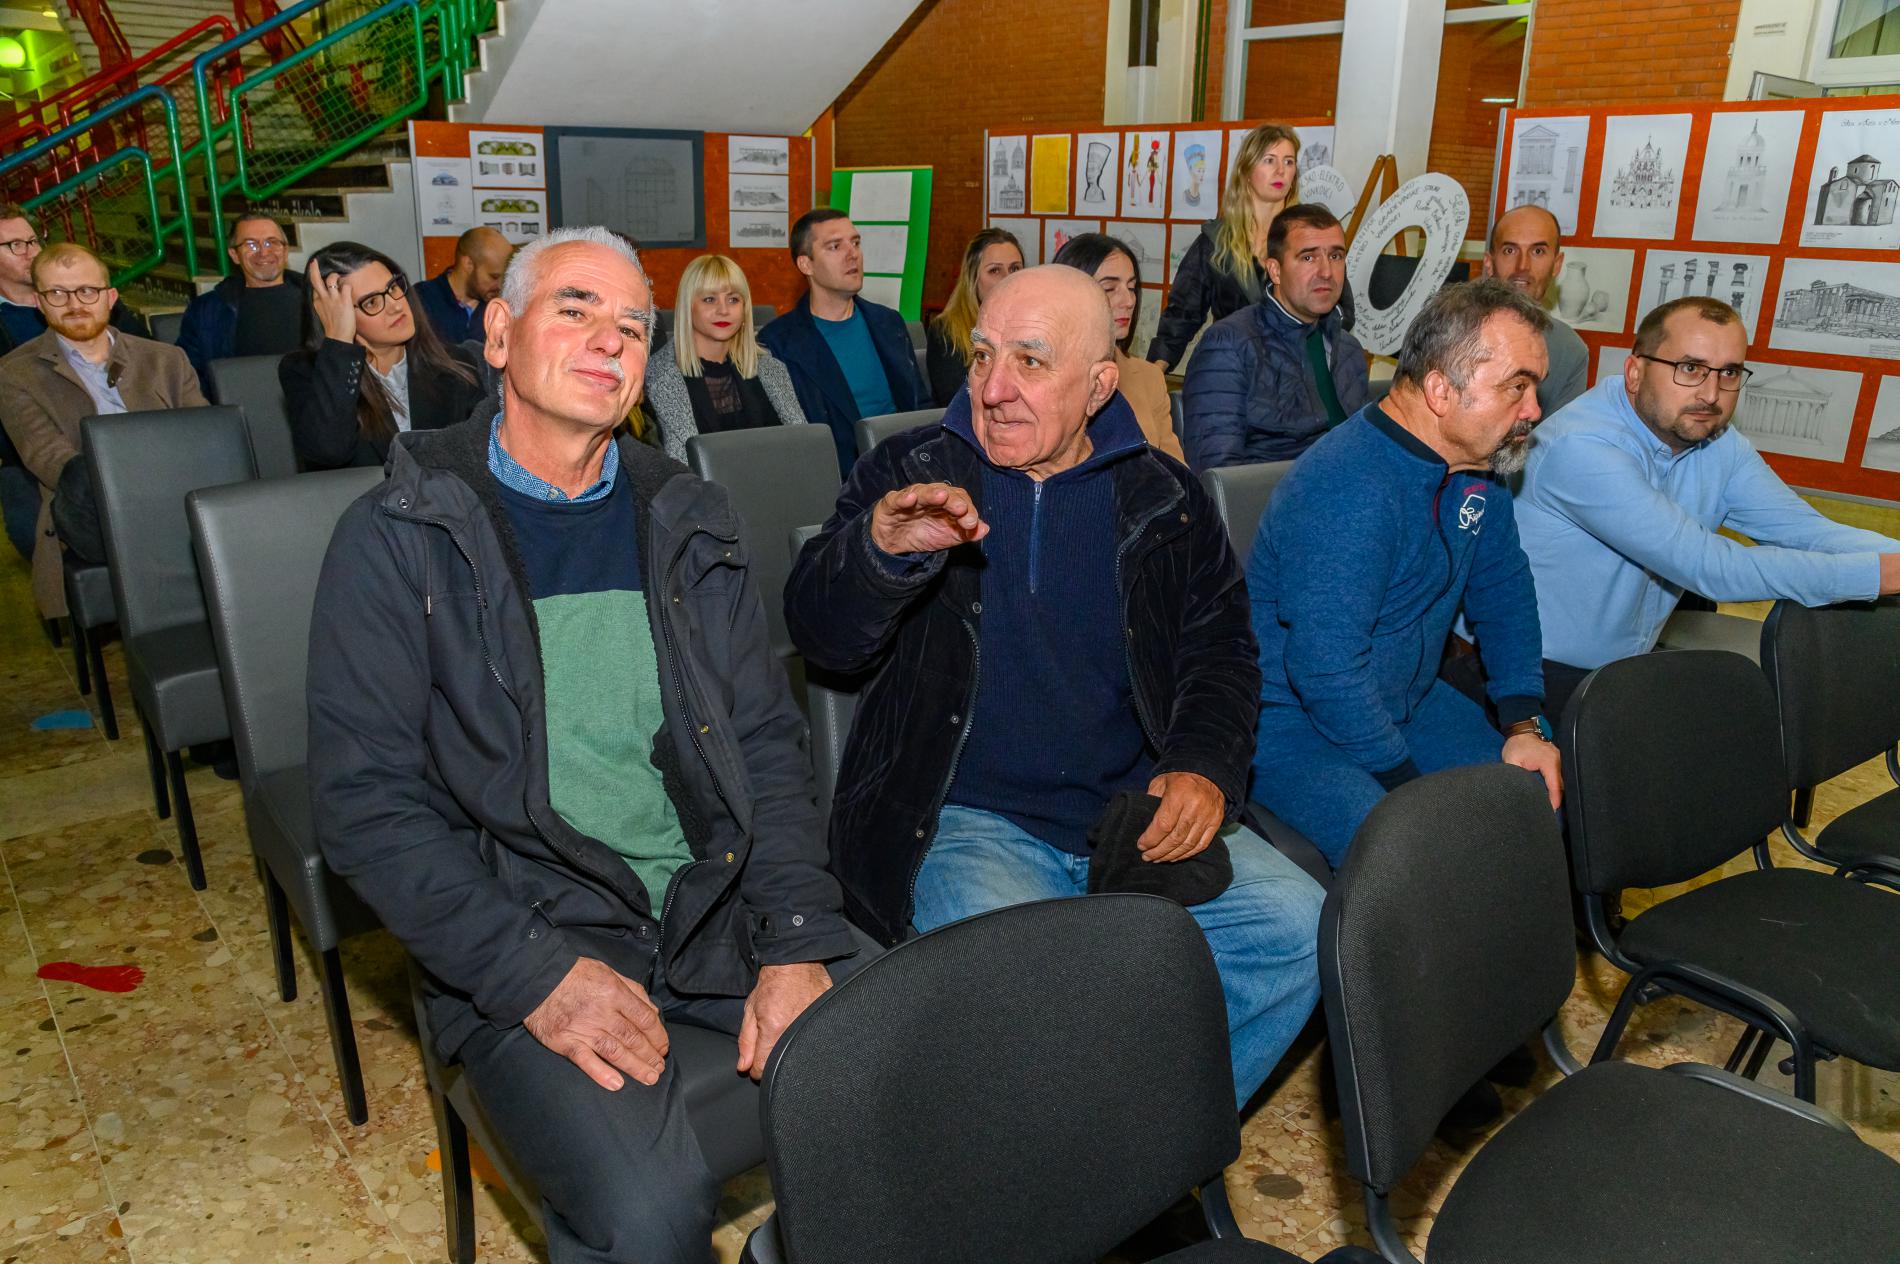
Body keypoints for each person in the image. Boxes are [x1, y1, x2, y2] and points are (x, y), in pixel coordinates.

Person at [308, 226, 863, 1264]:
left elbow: (764, 743)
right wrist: (533, 974)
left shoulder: (687, 516)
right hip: (528, 924)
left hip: (712, 901)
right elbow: (366, 808)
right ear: (499, 334)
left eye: (634, 325)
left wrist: (793, 936)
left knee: (923, 1076)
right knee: (646, 1216)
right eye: (576, 309)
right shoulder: (399, 533)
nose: (612, 338)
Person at [785, 266, 1324, 1109]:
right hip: (965, 822)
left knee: (1298, 928)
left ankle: (1142, 1139)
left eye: (1029, 362)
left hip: (1129, 821)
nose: (993, 388)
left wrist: (1202, 764)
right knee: (1045, 982)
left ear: (1099, 386)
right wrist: (879, 555)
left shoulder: (1165, 497)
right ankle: (1106, 1142)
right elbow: (821, 640)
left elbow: (1221, 653)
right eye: (982, 356)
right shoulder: (909, 469)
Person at [1248, 279, 1562, 866]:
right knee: (1418, 857)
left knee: (1532, 803)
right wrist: (1405, 780)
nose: (1534, 410)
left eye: (1534, 387)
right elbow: (1325, 670)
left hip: (1405, 702)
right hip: (1296, 725)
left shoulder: (1477, 468)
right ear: (1441, 390)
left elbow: (1504, 591)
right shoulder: (1350, 488)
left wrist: (1524, 724)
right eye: (1517, 386)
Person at [1508, 297, 1900, 720]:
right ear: (1635, 372)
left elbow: (1807, 531)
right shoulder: (1581, 446)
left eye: (1728, 372)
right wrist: (1877, 575)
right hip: (1530, 676)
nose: (1711, 394)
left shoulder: (1717, 441)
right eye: (1690, 368)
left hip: (1621, 668)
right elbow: (1711, 568)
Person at [0, 242, 205, 621]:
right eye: (57, 293)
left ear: (110, 297)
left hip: (173, 492)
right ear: (39, 303)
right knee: (81, 478)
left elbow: (202, 435)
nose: (74, 304)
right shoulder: (15, 374)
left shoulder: (165, 360)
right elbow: (48, 458)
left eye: (87, 291)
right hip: (90, 504)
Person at [0, 206, 150, 560]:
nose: (31, 251)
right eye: (15, 245)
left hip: (134, 441)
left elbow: (147, 364)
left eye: (33, 240)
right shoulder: (12, 367)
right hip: (36, 454)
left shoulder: (96, 304)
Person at [1180, 204, 1368, 471]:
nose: (1326, 271)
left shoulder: (1349, 349)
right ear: (1275, 270)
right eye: (1308, 258)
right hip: (1273, 494)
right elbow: (1217, 474)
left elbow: (1364, 447)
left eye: (1336, 256)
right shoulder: (1229, 345)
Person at [279, 242, 486, 470]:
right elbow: (329, 452)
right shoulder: (304, 371)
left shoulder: (456, 363)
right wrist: (339, 340)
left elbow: (485, 455)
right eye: (372, 302)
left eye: (393, 288)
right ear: (335, 315)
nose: (395, 306)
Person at [757, 208, 929, 476]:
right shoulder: (778, 343)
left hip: (907, 469)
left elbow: (921, 407)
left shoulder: (888, 323)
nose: (853, 254)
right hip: (838, 479)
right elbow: (792, 439)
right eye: (835, 246)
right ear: (806, 264)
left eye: (856, 243)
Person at [1147, 123, 1300, 370]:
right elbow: (1182, 315)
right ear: (1247, 171)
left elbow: (1339, 312)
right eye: (1269, 160)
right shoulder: (1216, 241)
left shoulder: (1309, 240)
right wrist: (1154, 373)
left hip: (1292, 372)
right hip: (1231, 370)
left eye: (1289, 162)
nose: (1281, 170)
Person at [640, 253, 809, 461]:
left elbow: (804, 449)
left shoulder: (772, 369)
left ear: (745, 308)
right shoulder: (654, 378)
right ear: (687, 307)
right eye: (709, 299)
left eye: (733, 299)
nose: (723, 310)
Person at [1051, 232, 1185, 461]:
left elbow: (1177, 472)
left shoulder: (1149, 378)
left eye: (1131, 288)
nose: (1129, 301)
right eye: (1109, 289)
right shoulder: (1041, 377)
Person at [175, 210, 308, 395]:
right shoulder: (207, 311)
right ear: (234, 254)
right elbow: (188, 375)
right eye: (251, 244)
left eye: (272, 242)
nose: (263, 252)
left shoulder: (319, 300)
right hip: (240, 407)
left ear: (285, 251)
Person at [1481, 204, 1588, 415]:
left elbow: (1558, 433)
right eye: (1510, 250)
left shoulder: (1568, 350)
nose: (1522, 266)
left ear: (1557, 264)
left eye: (1538, 251)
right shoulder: (1446, 330)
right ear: (1489, 262)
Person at [925, 227, 1022, 406]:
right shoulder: (946, 330)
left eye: (1015, 268)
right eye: (995, 271)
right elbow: (957, 403)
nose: (1008, 279)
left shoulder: (1033, 326)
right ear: (973, 277)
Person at [413, 225, 512, 345]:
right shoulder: (421, 300)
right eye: (494, 277)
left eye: (504, 277)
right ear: (468, 264)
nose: (500, 286)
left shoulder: (502, 306)